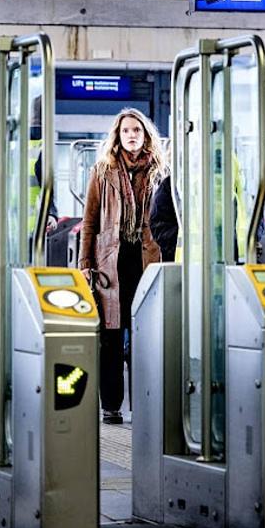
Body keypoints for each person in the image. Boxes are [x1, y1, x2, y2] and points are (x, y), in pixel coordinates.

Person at [78, 108, 164, 425]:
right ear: (118, 135)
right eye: (126, 130)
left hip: (146, 261)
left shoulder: (159, 171)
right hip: (110, 262)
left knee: (144, 336)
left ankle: (142, 403)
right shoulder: (103, 171)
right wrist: (86, 262)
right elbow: (90, 220)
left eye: (136, 131)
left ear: (145, 136)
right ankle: (111, 404)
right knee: (111, 337)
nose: (131, 135)